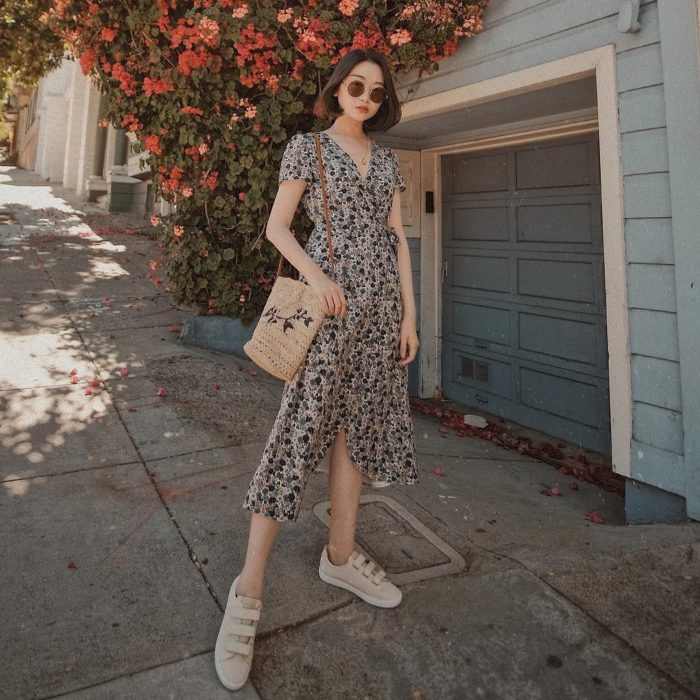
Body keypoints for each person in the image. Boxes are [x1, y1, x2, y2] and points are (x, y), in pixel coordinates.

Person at [214, 47, 420, 691]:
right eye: (356, 86)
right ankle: (247, 593)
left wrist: (412, 318)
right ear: (336, 91)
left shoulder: (386, 162)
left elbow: (398, 243)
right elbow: (279, 228)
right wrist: (320, 277)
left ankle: (339, 556)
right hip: (328, 314)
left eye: (377, 91)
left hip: (382, 318)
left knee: (356, 435)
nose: (366, 97)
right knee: (297, 436)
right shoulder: (308, 149)